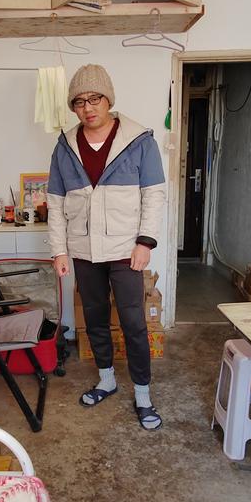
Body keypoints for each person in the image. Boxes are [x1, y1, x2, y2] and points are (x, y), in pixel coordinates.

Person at [47, 64, 166, 430]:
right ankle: (107, 379)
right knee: (95, 318)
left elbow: (154, 194)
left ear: (108, 99)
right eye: (79, 101)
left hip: (126, 250)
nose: (88, 107)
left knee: (133, 322)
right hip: (84, 251)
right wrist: (59, 250)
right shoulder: (65, 146)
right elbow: (55, 201)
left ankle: (142, 393)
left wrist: (145, 241)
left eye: (95, 98)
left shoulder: (139, 140)